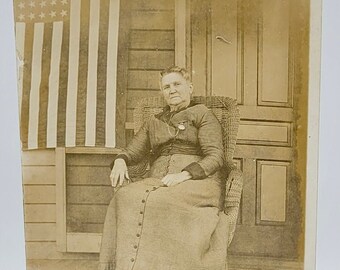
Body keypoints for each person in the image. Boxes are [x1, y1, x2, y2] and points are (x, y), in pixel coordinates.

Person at [99, 66, 230, 270]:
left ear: (190, 87)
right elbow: (133, 150)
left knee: (161, 201)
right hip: (159, 180)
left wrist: (184, 175)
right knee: (124, 197)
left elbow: (215, 156)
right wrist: (120, 160)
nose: (172, 90)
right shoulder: (154, 122)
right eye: (166, 87)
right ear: (163, 92)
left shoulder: (203, 114)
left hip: (198, 181)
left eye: (177, 84)